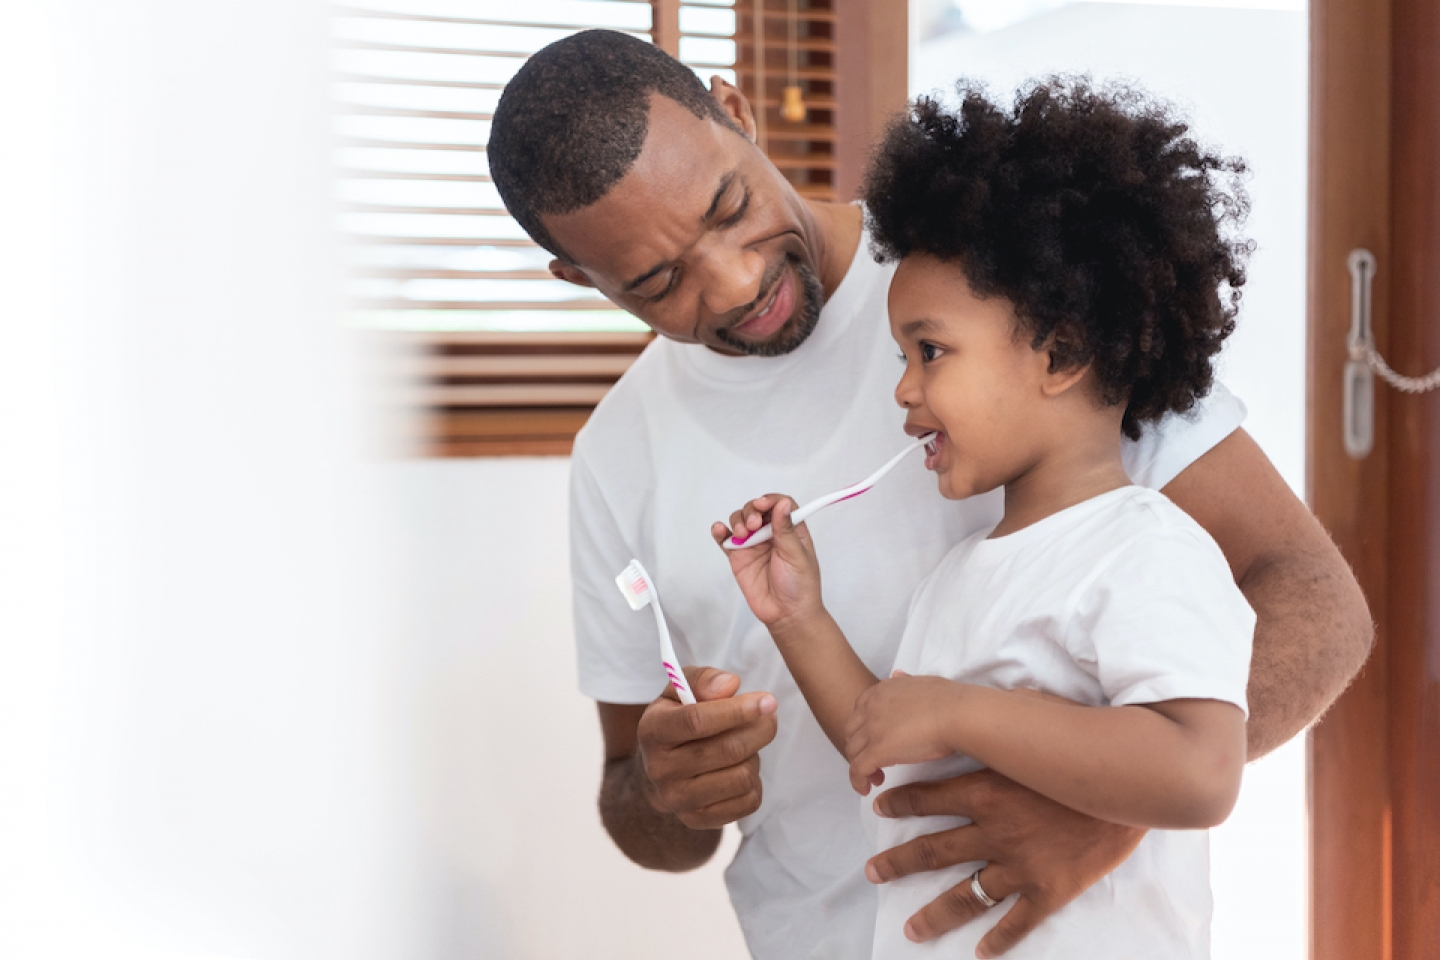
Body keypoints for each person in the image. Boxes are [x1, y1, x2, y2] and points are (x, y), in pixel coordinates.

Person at [486, 29, 1373, 960]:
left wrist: (1099, 814)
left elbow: (1312, 595)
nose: (738, 280)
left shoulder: (998, 279)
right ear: (579, 279)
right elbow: (677, 794)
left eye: (729, 208)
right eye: (659, 282)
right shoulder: (617, 459)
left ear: (739, 113)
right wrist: (665, 791)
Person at [715, 80, 1255, 959]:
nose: (902, 388)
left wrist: (961, 715)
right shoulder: (963, 573)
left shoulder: (1144, 549)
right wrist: (797, 616)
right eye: (901, 356)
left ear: (1064, 353)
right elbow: (890, 740)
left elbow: (1200, 773)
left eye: (930, 352)